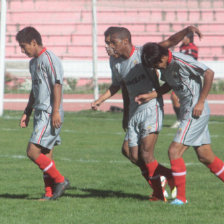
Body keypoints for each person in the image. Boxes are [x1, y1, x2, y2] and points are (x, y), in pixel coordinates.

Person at [91, 26, 202, 201]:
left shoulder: (143, 54)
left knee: (145, 154)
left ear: (125, 41)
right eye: (107, 43)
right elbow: (119, 86)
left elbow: (169, 42)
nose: (109, 47)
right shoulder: (115, 62)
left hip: (151, 107)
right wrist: (104, 101)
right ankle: (169, 176)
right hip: (135, 109)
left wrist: (187, 30)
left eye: (112, 43)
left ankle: (158, 193)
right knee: (129, 152)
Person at [136, 42, 224, 205]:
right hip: (188, 111)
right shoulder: (165, 65)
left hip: (195, 111)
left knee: (174, 151)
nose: (158, 68)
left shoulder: (182, 60)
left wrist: (201, 102)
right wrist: (152, 95)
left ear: (163, 57)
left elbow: (209, 73)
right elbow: (171, 83)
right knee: (205, 156)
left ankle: (180, 199)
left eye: (157, 64)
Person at [16, 27, 69, 200]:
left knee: (32, 152)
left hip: (49, 112)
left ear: (34, 42)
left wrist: (55, 112)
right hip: (40, 112)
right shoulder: (33, 63)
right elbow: (34, 89)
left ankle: (61, 181)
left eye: (24, 47)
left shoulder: (49, 59)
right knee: (46, 155)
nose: (23, 51)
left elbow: (57, 85)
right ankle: (49, 194)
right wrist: (27, 112)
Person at [170, 31, 199, 128]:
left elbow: (190, 63)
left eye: (184, 37)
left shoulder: (192, 48)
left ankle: (188, 120)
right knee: (174, 97)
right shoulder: (182, 47)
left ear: (189, 38)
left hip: (188, 78)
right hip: (179, 77)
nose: (183, 39)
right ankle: (180, 119)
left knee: (187, 99)